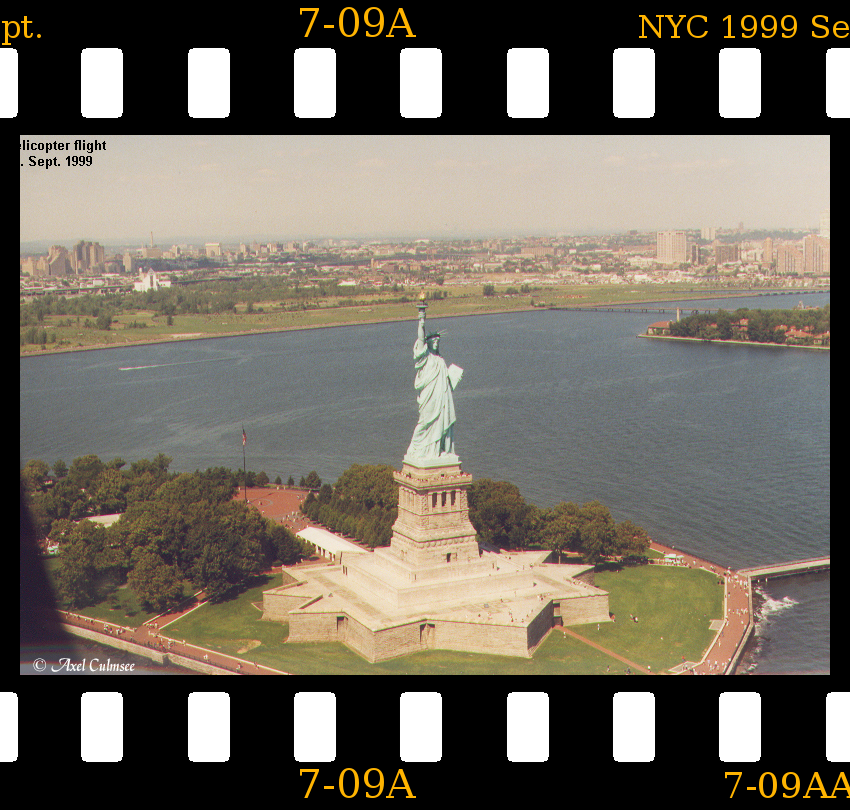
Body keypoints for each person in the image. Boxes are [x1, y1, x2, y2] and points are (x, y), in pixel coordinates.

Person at [406, 303, 462, 461]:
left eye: (438, 341)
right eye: (433, 341)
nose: (436, 343)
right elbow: (420, 338)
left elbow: (445, 380)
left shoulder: (440, 359)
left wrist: (454, 377)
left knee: (440, 422)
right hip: (429, 396)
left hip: (441, 396)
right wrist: (421, 321)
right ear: (427, 344)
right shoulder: (425, 357)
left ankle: (437, 450)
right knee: (425, 421)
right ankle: (416, 448)